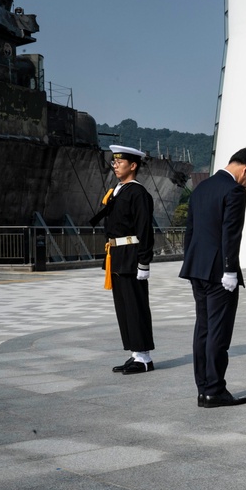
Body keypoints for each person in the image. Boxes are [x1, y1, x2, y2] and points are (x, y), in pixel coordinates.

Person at [179, 148, 246, 408]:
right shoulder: (234, 191)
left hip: (197, 268)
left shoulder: (201, 188)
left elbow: (189, 231)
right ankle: (215, 390)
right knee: (219, 332)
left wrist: (191, 262)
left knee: (202, 329)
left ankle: (203, 389)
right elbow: (231, 233)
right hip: (219, 274)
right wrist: (229, 269)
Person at [91, 145, 155, 375]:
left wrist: (144, 262)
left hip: (131, 256)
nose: (115, 165)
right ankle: (134, 353)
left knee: (136, 307)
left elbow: (145, 229)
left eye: (120, 162)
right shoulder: (119, 190)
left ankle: (144, 357)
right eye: (114, 162)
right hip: (116, 256)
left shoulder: (137, 193)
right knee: (124, 308)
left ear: (133, 165)